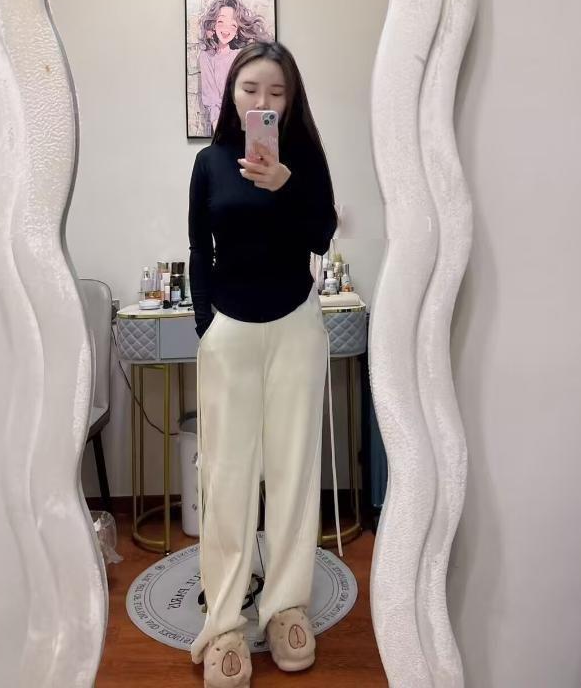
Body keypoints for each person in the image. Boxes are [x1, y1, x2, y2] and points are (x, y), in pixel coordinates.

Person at [188, 41, 338, 688]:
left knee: (293, 472)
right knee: (225, 477)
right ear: (231, 93)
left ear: (291, 100)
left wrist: (287, 185)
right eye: (251, 88)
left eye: (277, 92)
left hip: (296, 324)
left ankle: (285, 608)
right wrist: (207, 326)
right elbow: (199, 249)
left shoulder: (303, 158)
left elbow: (322, 233)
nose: (263, 100)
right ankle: (224, 623)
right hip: (231, 330)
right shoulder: (210, 162)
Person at [197, 0, 271, 133]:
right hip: (222, 127)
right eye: (221, 21)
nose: (226, 29)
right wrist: (220, 133)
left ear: (237, 31)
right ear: (213, 25)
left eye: (233, 25)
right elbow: (212, 100)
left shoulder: (240, 55)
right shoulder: (207, 57)